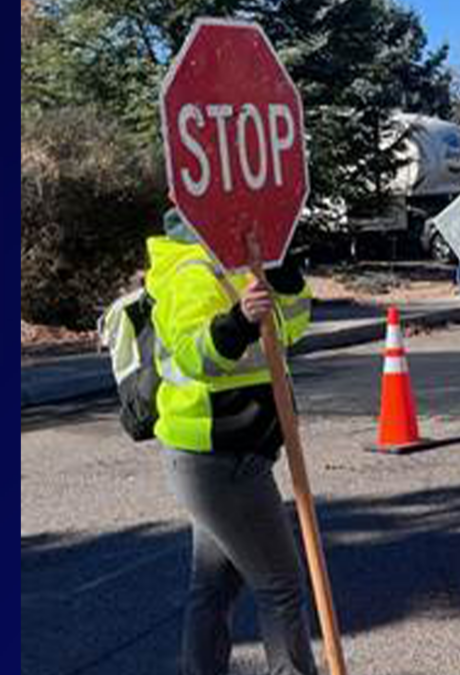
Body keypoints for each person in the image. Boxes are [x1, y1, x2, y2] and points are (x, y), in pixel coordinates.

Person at [147, 207, 317, 675]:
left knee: (214, 588)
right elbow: (195, 356)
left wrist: (280, 268)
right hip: (219, 457)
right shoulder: (190, 271)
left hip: (228, 456)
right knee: (281, 587)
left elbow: (293, 325)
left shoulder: (238, 266)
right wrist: (239, 320)